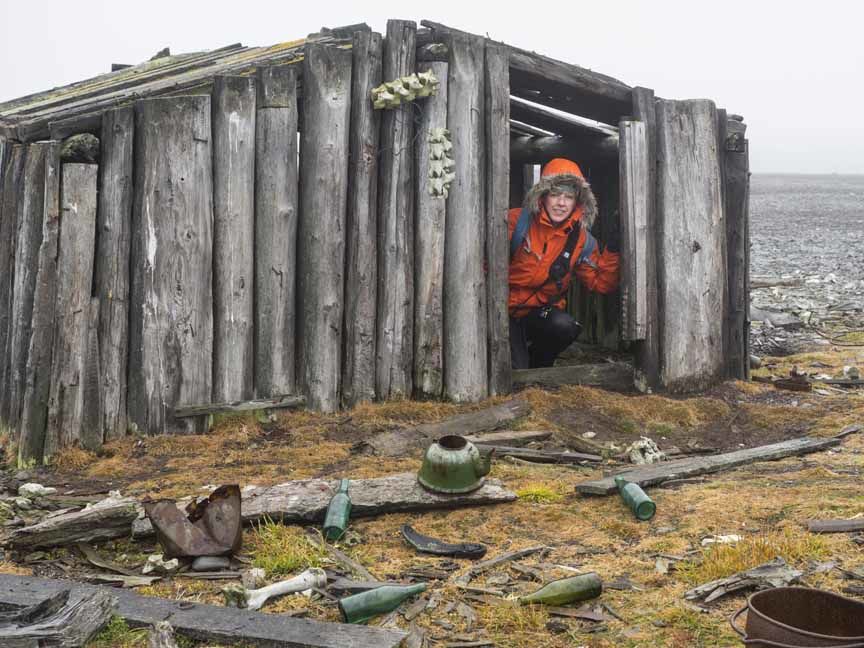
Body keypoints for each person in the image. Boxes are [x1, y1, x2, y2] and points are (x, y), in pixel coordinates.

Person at [508, 158, 620, 369]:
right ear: (543, 195)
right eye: (555, 194)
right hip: (502, 313)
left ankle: (539, 368)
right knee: (514, 372)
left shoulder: (580, 240)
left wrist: (614, 249)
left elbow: (601, 282)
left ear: (577, 202)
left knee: (565, 327)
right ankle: (521, 364)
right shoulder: (515, 222)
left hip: (538, 313)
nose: (561, 203)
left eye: (568, 197)